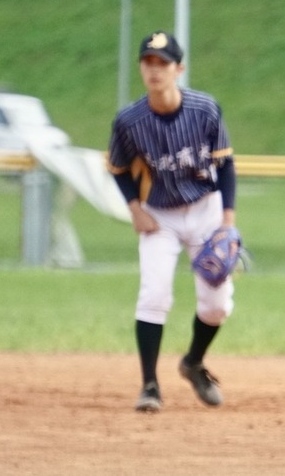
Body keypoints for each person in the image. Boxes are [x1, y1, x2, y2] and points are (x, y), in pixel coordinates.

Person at [107, 30, 237, 413]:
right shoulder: (129, 120)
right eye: (148, 62)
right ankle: (149, 385)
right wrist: (135, 208)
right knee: (154, 295)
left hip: (205, 209)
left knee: (217, 306)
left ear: (179, 68)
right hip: (159, 214)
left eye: (163, 63)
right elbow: (118, 169)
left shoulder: (205, 109)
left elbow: (225, 164)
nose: (154, 69)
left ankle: (193, 362)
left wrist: (227, 220)